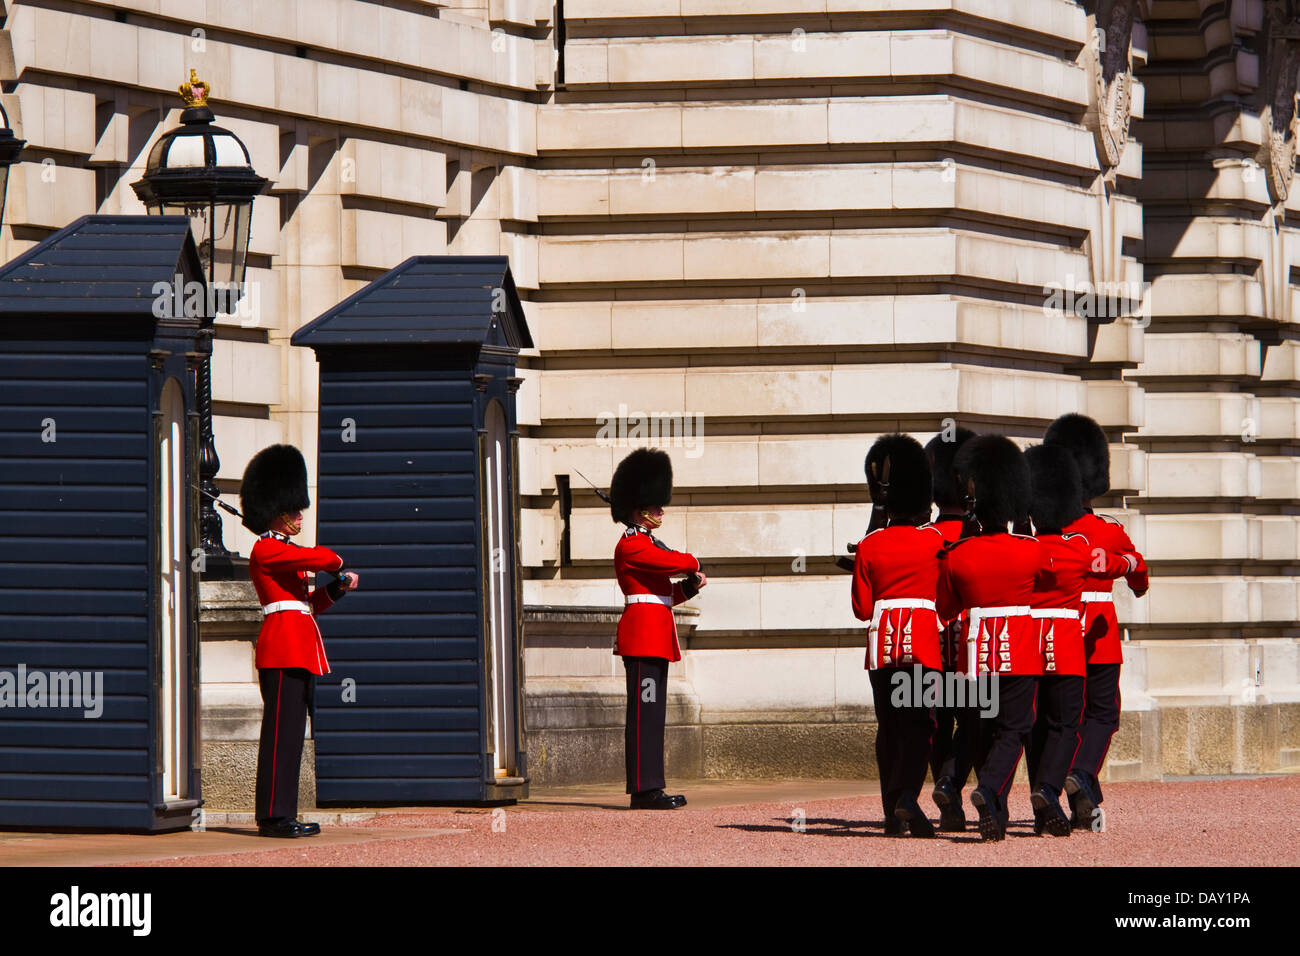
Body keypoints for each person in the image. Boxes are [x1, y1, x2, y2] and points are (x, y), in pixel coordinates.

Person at [1022, 444, 1147, 836]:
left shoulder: (1040, 541)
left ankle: (1049, 801)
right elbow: (1139, 576)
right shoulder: (1108, 531)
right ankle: (1081, 773)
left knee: (1048, 720)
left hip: (1048, 636)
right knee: (1103, 714)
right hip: (1097, 634)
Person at [937, 435, 1052, 841]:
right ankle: (987, 790)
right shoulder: (1030, 550)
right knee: (1016, 727)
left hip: (974, 656)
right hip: (1019, 650)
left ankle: (995, 817)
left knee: (982, 731)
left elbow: (946, 609)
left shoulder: (958, 554)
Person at [241, 444, 359, 838]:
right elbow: (323, 557)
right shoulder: (267, 550)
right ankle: (273, 817)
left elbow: (308, 605)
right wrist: (338, 565)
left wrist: (337, 590)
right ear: (276, 510)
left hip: (299, 649)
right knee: (280, 736)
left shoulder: (283, 551)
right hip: (282, 651)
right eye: (294, 510)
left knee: (292, 738)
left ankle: (283, 813)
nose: (299, 516)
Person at [851, 434, 944, 837]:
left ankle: (893, 813)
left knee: (888, 727)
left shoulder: (870, 545)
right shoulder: (936, 542)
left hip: (881, 647)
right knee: (920, 726)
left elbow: (861, 609)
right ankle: (907, 797)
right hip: (921, 646)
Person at [610, 448, 706, 810]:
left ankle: (651, 785)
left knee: (652, 714)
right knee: (644, 715)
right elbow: (670, 563)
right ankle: (643, 789)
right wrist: (692, 562)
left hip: (655, 635)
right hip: (643, 638)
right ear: (639, 509)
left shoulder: (644, 543)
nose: (661, 511)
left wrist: (690, 587)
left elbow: (663, 595)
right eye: (655, 505)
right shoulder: (633, 546)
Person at [924, 425, 977, 831]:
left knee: (938, 724)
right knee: (977, 721)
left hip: (931, 645)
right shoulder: (982, 538)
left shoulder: (924, 537)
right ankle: (956, 784)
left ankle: (948, 803)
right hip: (973, 646)